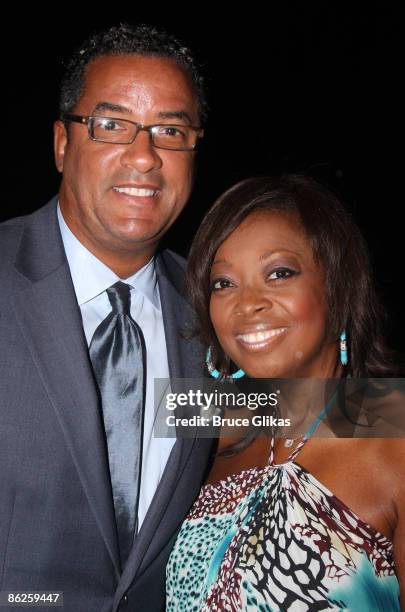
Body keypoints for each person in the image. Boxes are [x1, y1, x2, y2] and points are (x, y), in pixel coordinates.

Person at [0, 24, 213, 612]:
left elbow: (299, 412)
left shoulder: (211, 312)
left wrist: (384, 412)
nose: (144, 156)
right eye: (111, 124)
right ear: (62, 144)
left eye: (170, 130)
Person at [166, 175, 405, 610]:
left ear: (337, 286)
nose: (247, 303)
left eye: (279, 273)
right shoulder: (208, 422)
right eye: (223, 283)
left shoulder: (392, 427)